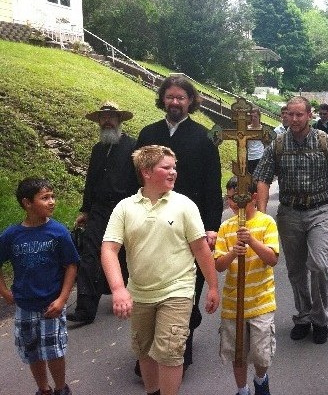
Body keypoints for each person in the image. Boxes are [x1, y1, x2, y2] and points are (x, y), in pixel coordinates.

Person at [101, 145, 219, 395]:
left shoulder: (185, 205)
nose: (173, 172)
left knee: (170, 351)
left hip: (178, 289)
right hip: (140, 292)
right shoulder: (125, 208)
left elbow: (200, 249)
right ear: (146, 171)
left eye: (174, 167)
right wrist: (118, 289)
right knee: (144, 350)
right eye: (166, 167)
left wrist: (213, 286)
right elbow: (109, 249)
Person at [136, 75, 223, 371]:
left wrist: (212, 226)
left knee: (187, 286)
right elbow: (133, 181)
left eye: (181, 97)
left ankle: (179, 346)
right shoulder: (148, 134)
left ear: (190, 102)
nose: (175, 102)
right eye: (170, 97)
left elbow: (213, 186)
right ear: (163, 99)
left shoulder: (204, 137)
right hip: (151, 223)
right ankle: (149, 350)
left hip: (191, 224)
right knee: (153, 283)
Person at [254, 96, 328, 344]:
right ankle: (303, 316)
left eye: (299, 115)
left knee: (319, 264)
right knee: (296, 270)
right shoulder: (278, 144)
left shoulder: (326, 142)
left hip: (321, 211)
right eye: (290, 115)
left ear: (309, 115)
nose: (294, 120)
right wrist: (262, 216)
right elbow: (262, 177)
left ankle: (320, 318)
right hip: (290, 213)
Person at [0, 178, 80, 395]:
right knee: (32, 351)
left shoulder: (58, 232)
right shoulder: (12, 235)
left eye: (52, 196)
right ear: (27, 203)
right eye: (45, 198)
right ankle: (43, 389)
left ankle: (61, 389)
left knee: (54, 350)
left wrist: (63, 299)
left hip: (51, 304)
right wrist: (4, 291)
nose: (52, 202)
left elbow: (71, 265)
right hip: (25, 306)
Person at [68, 101, 136, 325]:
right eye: (103, 117)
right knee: (89, 254)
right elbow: (91, 181)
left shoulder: (133, 147)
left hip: (125, 207)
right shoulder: (97, 150)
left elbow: (139, 179)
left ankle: (130, 293)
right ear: (99, 121)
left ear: (119, 120)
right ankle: (85, 310)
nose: (107, 121)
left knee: (127, 254)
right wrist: (86, 209)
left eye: (111, 117)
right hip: (98, 210)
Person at [214, 177, 279, 395]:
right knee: (237, 353)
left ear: (252, 198)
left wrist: (251, 241)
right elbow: (219, 265)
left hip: (261, 301)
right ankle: (242, 390)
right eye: (229, 198)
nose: (233, 203)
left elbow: (272, 258)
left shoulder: (266, 222)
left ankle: (261, 379)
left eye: (237, 198)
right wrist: (234, 251)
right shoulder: (226, 227)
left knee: (262, 353)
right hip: (234, 304)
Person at [247, 107, 265, 175]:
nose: (253, 118)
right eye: (252, 116)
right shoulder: (246, 129)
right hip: (249, 157)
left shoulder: (263, 129)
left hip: (260, 156)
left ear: (259, 117)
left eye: (255, 116)